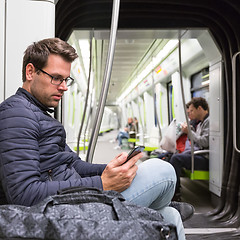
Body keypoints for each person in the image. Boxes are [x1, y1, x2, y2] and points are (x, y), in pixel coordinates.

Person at [0, 38, 187, 239]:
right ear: (30, 72)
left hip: (76, 199)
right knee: (164, 170)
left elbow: (74, 164)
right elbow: (24, 195)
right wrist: (102, 184)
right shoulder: (16, 115)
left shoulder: (38, 114)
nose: (63, 87)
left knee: (170, 216)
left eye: (66, 80)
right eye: (56, 78)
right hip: (62, 211)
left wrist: (110, 169)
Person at [169, 97, 209, 201]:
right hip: (198, 154)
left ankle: (175, 194)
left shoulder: (209, 122)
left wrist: (189, 133)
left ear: (199, 108)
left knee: (176, 159)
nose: (190, 113)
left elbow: (204, 142)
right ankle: (170, 189)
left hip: (206, 158)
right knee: (171, 155)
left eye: (191, 110)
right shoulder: (200, 123)